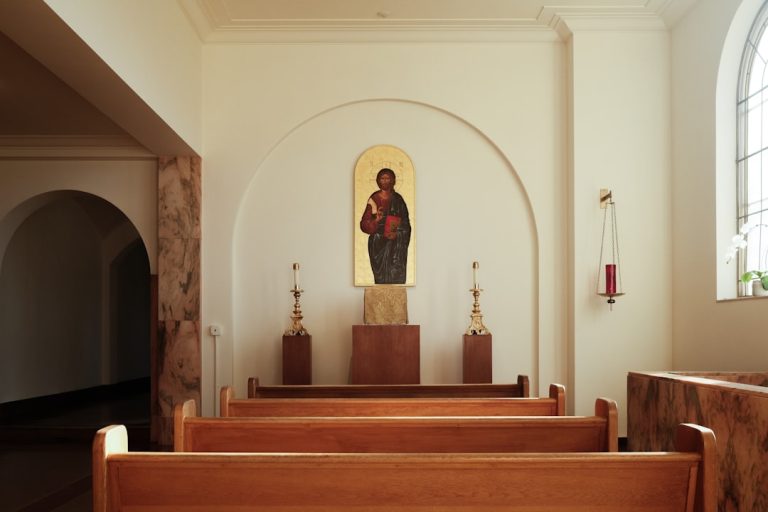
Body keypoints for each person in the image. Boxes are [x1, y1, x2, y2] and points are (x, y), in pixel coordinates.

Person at [359, 168, 411, 284]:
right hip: (378, 243)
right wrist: (376, 220)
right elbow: (364, 224)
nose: (385, 181)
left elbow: (406, 224)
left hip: (395, 243)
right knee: (381, 280)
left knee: (394, 277)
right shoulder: (374, 199)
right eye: (382, 178)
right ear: (378, 180)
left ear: (393, 181)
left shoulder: (398, 199)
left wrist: (397, 233)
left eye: (388, 178)